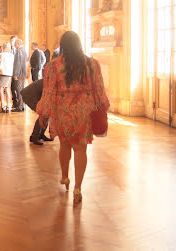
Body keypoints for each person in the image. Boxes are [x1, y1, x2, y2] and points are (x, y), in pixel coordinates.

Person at [36, 31, 110, 204]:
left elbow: (49, 92)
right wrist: (103, 106)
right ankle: (78, 187)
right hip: (84, 111)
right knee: (80, 148)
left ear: (62, 46)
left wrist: (44, 113)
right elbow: (99, 90)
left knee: (65, 143)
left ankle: (64, 177)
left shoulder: (53, 66)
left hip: (62, 111)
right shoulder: (92, 64)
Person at [0, 42, 14, 113]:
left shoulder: (1, 54)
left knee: (0, 89)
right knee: (7, 89)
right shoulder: (12, 55)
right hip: (9, 74)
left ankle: (2, 106)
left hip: (2, 73)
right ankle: (8, 106)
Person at [11, 39, 28, 112]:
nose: (14, 45)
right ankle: (21, 105)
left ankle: (20, 107)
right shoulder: (24, 50)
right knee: (21, 90)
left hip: (19, 74)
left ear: (18, 43)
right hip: (23, 73)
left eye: (15, 43)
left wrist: (15, 74)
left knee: (19, 90)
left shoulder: (18, 51)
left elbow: (17, 64)